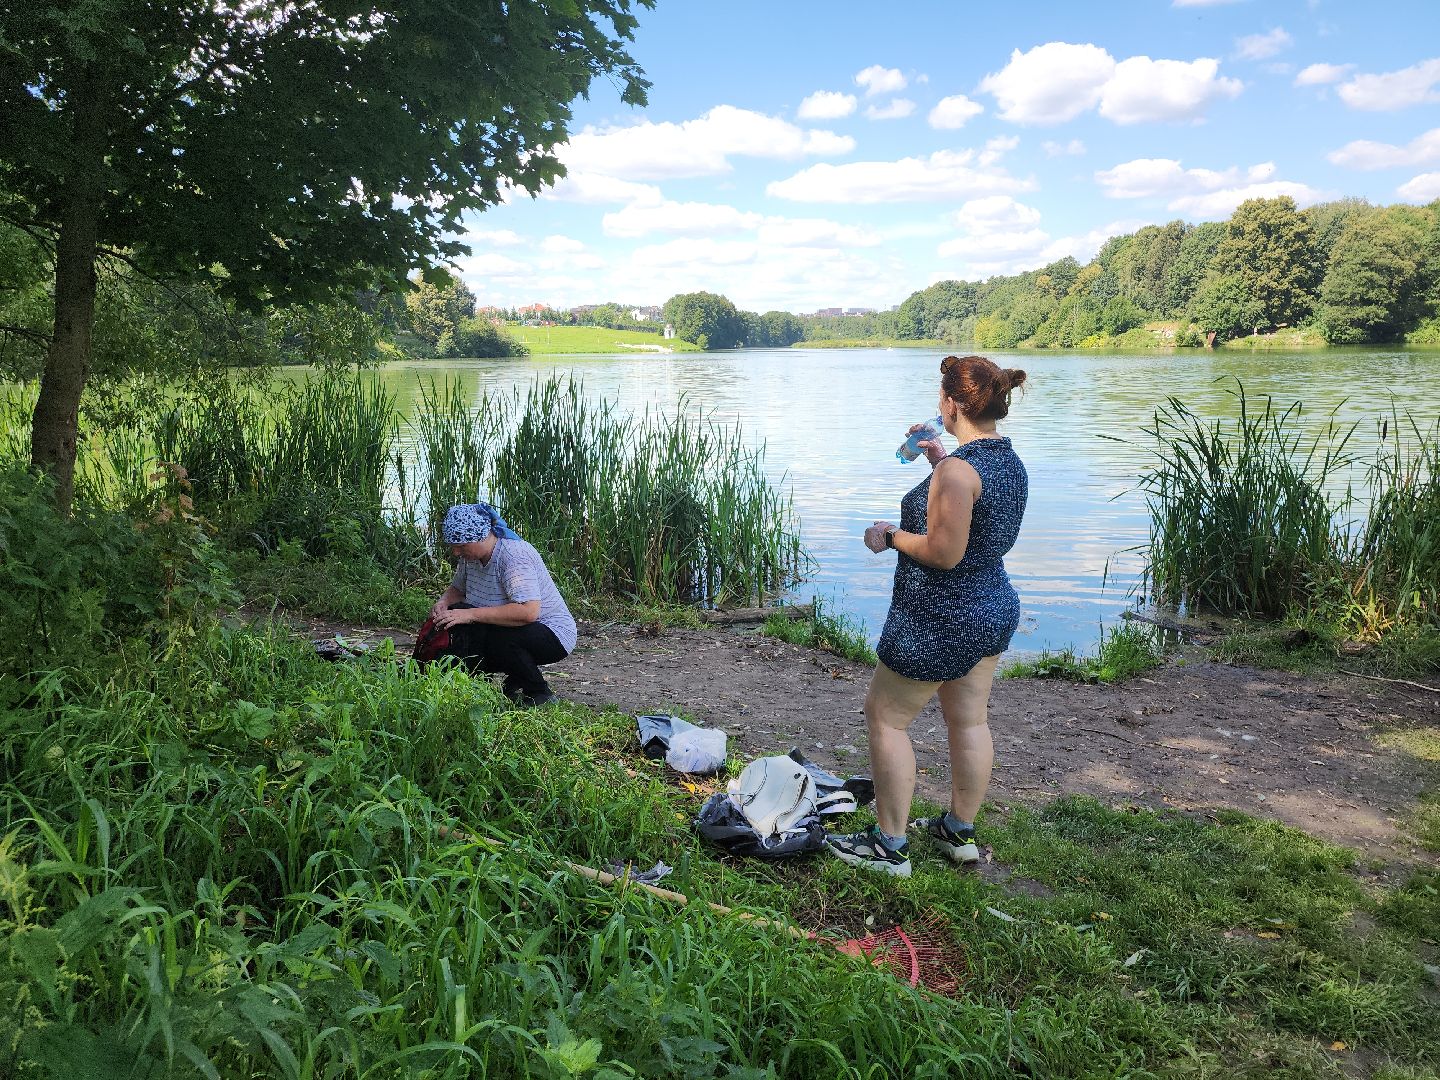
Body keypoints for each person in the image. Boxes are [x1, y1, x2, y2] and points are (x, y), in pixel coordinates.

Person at [826, 355, 1029, 877]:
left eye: (942, 396)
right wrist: (939, 460)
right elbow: (973, 516)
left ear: (951, 404)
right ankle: (959, 830)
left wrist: (889, 537)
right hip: (990, 609)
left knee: (885, 718)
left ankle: (889, 846)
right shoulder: (1004, 462)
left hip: (938, 618)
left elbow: (943, 553)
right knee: (969, 720)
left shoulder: (959, 473)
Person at [427, 502, 577, 706]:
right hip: (509, 627)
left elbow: (528, 612)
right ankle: (503, 680)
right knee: (459, 621)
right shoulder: (470, 557)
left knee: (496, 637)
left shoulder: (513, 556)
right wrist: (444, 602)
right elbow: (458, 590)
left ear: (480, 536)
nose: (456, 552)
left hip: (552, 633)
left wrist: (471, 615)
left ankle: (539, 692)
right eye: (453, 546)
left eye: (461, 545)